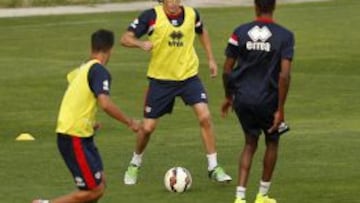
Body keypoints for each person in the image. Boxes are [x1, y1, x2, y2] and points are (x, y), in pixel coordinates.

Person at [119, 0, 231, 185]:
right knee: (147, 128)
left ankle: (213, 167)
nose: (173, 3)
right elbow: (125, 38)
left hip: (189, 78)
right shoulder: (151, 16)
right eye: (169, 0)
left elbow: (202, 31)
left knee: (205, 117)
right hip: (161, 81)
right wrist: (140, 44)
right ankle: (134, 164)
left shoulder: (192, 14)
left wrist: (211, 58)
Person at [32, 29, 139, 203]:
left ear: (92, 47)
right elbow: (104, 103)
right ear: (110, 50)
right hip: (74, 136)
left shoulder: (82, 69)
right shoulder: (99, 70)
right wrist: (130, 122)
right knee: (94, 190)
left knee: (100, 182)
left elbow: (76, 93)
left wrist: (88, 121)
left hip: (81, 134)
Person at [221, 0, 294, 202]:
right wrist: (280, 109)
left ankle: (240, 197)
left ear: (255, 6)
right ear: (274, 6)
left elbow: (227, 69)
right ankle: (262, 195)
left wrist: (229, 96)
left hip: (242, 98)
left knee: (249, 143)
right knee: (272, 142)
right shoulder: (285, 36)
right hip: (268, 100)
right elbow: (284, 76)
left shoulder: (239, 32)